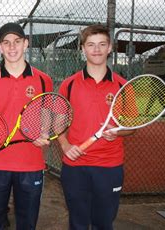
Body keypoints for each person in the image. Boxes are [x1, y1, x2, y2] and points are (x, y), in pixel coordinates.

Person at [57, 24, 135, 229]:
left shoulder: (122, 85)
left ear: (110, 48)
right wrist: (65, 146)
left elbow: (132, 126)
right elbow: (58, 124)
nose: (97, 49)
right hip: (75, 166)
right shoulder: (69, 84)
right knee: (78, 223)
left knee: (103, 223)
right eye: (91, 45)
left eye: (102, 44)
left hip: (109, 166)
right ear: (83, 49)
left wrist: (119, 131)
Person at [0, 22, 53, 230]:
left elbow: (46, 110)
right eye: (6, 43)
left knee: (27, 224)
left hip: (31, 164)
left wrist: (45, 132)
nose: (12, 47)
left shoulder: (44, 80)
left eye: (17, 42)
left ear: (25, 44)